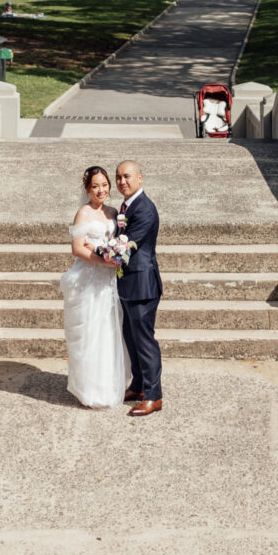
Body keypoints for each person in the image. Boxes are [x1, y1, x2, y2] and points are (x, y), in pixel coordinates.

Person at [61, 165, 129, 408]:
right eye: (95, 186)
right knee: (91, 331)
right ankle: (89, 389)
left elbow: (118, 239)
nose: (101, 190)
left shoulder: (113, 212)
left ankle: (110, 384)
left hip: (109, 281)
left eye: (104, 185)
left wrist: (117, 255)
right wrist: (105, 260)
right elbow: (78, 248)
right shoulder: (83, 213)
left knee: (110, 330)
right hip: (90, 278)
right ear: (88, 189)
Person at [115, 159, 163, 415]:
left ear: (140, 178)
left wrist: (101, 252)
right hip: (127, 283)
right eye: (119, 177)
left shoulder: (144, 209)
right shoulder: (125, 207)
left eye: (127, 176)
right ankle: (139, 385)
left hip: (142, 284)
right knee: (131, 337)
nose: (122, 181)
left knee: (144, 341)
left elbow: (126, 245)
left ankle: (154, 396)